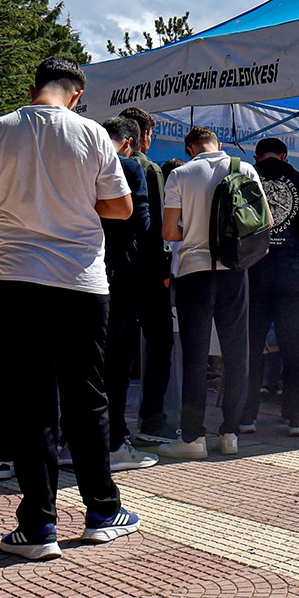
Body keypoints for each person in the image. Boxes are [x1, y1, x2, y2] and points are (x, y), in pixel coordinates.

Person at [0, 56, 147, 561]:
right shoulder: (93, 136)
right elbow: (122, 208)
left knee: (30, 401)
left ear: (33, 85)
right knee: (89, 396)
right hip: (82, 282)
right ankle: (103, 511)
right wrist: (83, 202)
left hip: (13, 279)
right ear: (77, 95)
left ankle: (38, 526)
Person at [156, 126, 263, 460]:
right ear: (219, 144)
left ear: (190, 148)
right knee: (237, 353)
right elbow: (263, 221)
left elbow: (169, 231)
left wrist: (194, 229)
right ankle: (230, 433)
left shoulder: (180, 174)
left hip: (194, 272)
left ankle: (192, 437)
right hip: (235, 270)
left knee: (195, 355)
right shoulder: (244, 169)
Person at [241, 138, 299, 438]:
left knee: (251, 347)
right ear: (285, 156)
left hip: (254, 274)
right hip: (291, 274)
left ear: (257, 156)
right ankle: (296, 419)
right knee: (293, 347)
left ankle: (246, 416)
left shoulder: (244, 178)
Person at [98, 116, 155, 469]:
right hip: (119, 272)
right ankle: (115, 441)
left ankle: (70, 439)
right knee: (117, 361)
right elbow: (143, 223)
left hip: (76, 270)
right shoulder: (129, 168)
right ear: (129, 142)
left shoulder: (79, 164)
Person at [119, 107, 176, 445]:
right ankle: (152, 419)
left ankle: (113, 424)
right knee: (159, 344)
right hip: (147, 272)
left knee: (116, 349)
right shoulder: (147, 168)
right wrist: (164, 269)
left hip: (112, 269)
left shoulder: (102, 163)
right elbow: (156, 226)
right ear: (143, 136)